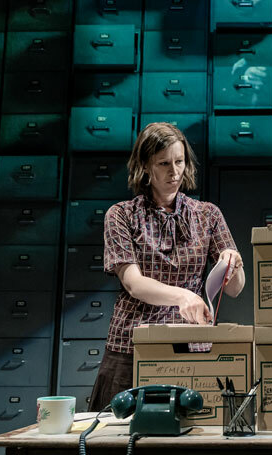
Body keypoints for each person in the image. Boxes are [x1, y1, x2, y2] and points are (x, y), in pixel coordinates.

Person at [88, 122, 245, 411]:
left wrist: (233, 264)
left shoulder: (207, 214)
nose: (174, 172)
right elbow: (134, 283)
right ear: (145, 167)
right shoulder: (122, 215)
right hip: (132, 347)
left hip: (191, 346)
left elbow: (234, 289)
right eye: (163, 164)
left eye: (179, 162)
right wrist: (184, 295)